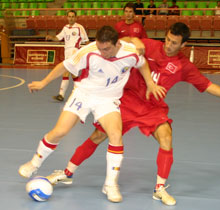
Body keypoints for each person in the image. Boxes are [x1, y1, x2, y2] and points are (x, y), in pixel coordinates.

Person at [46, 23, 220, 206]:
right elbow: (124, 42)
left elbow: (207, 85)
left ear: (183, 45)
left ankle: (160, 188)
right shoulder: (151, 45)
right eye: (167, 39)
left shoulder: (185, 66)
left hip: (153, 108)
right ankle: (67, 173)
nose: (168, 45)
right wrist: (134, 40)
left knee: (166, 137)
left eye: (174, 43)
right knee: (98, 136)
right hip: (127, 101)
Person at [18, 26, 165, 203]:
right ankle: (34, 163)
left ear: (117, 43)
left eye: (106, 49)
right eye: (99, 48)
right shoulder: (89, 51)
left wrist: (150, 82)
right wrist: (43, 82)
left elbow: (142, 64)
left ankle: (110, 184)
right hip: (84, 94)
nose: (102, 52)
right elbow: (64, 66)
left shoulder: (130, 53)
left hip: (108, 99)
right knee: (60, 131)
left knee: (116, 136)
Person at [46, 10, 89, 102]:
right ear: (67, 17)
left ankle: (61, 95)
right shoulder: (65, 28)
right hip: (67, 53)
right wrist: (51, 37)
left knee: (66, 72)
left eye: (73, 16)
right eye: (69, 16)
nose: (71, 18)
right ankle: (81, 94)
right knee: (73, 75)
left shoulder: (79, 27)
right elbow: (58, 38)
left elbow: (86, 40)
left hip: (75, 52)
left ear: (76, 18)